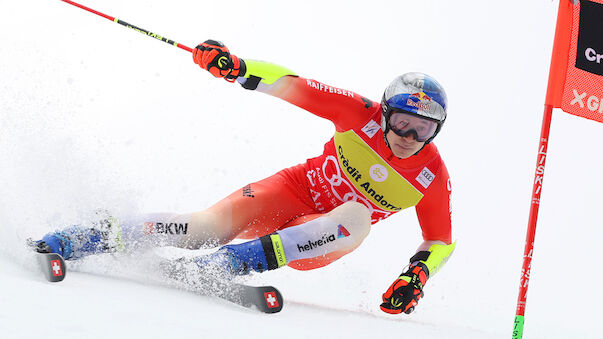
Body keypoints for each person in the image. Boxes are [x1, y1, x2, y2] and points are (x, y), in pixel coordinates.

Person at [32, 40, 456, 315]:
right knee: (204, 227)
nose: (408, 137)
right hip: (293, 191)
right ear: (384, 113)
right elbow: (294, 85)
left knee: (357, 217)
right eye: (402, 122)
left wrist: (415, 276)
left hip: (319, 239)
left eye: (423, 129)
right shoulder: (358, 113)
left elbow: (440, 240)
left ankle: (236, 262)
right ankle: (91, 236)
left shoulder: (430, 175)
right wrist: (236, 67)